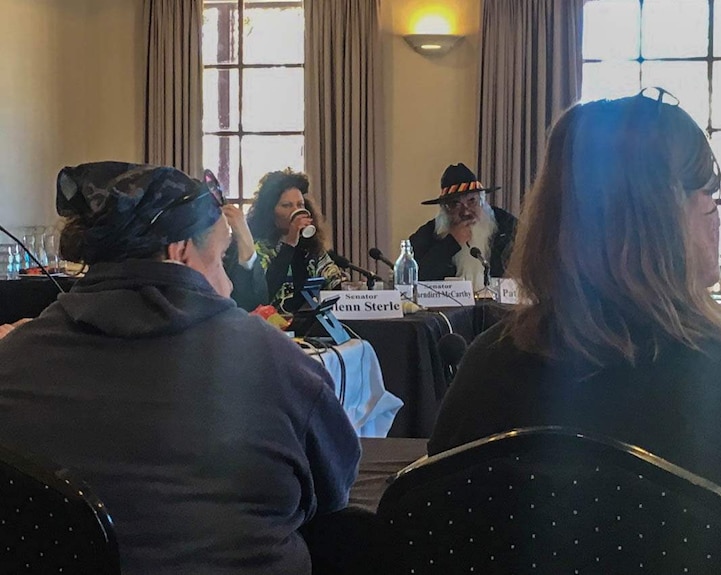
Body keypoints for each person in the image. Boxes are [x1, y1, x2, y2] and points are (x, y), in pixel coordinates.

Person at [428, 93, 721, 574]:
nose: (717, 214)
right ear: (661, 220)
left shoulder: (484, 371)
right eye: (707, 192)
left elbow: (435, 544)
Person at [0, 161, 360, 575]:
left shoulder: (14, 358)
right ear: (180, 249)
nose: (226, 285)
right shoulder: (281, 365)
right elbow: (336, 491)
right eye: (221, 259)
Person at [230, 169, 344, 313]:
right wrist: (289, 243)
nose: (296, 211)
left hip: (303, 329)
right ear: (270, 211)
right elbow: (263, 295)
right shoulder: (256, 247)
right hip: (268, 328)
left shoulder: (310, 247)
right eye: (286, 205)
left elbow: (333, 281)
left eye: (300, 205)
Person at [409, 163, 517, 289]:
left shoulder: (506, 224)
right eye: (455, 204)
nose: (465, 211)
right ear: (445, 209)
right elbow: (413, 279)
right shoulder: (428, 234)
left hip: (498, 307)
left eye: (471, 201)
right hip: (448, 308)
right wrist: (450, 243)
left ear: (482, 200)